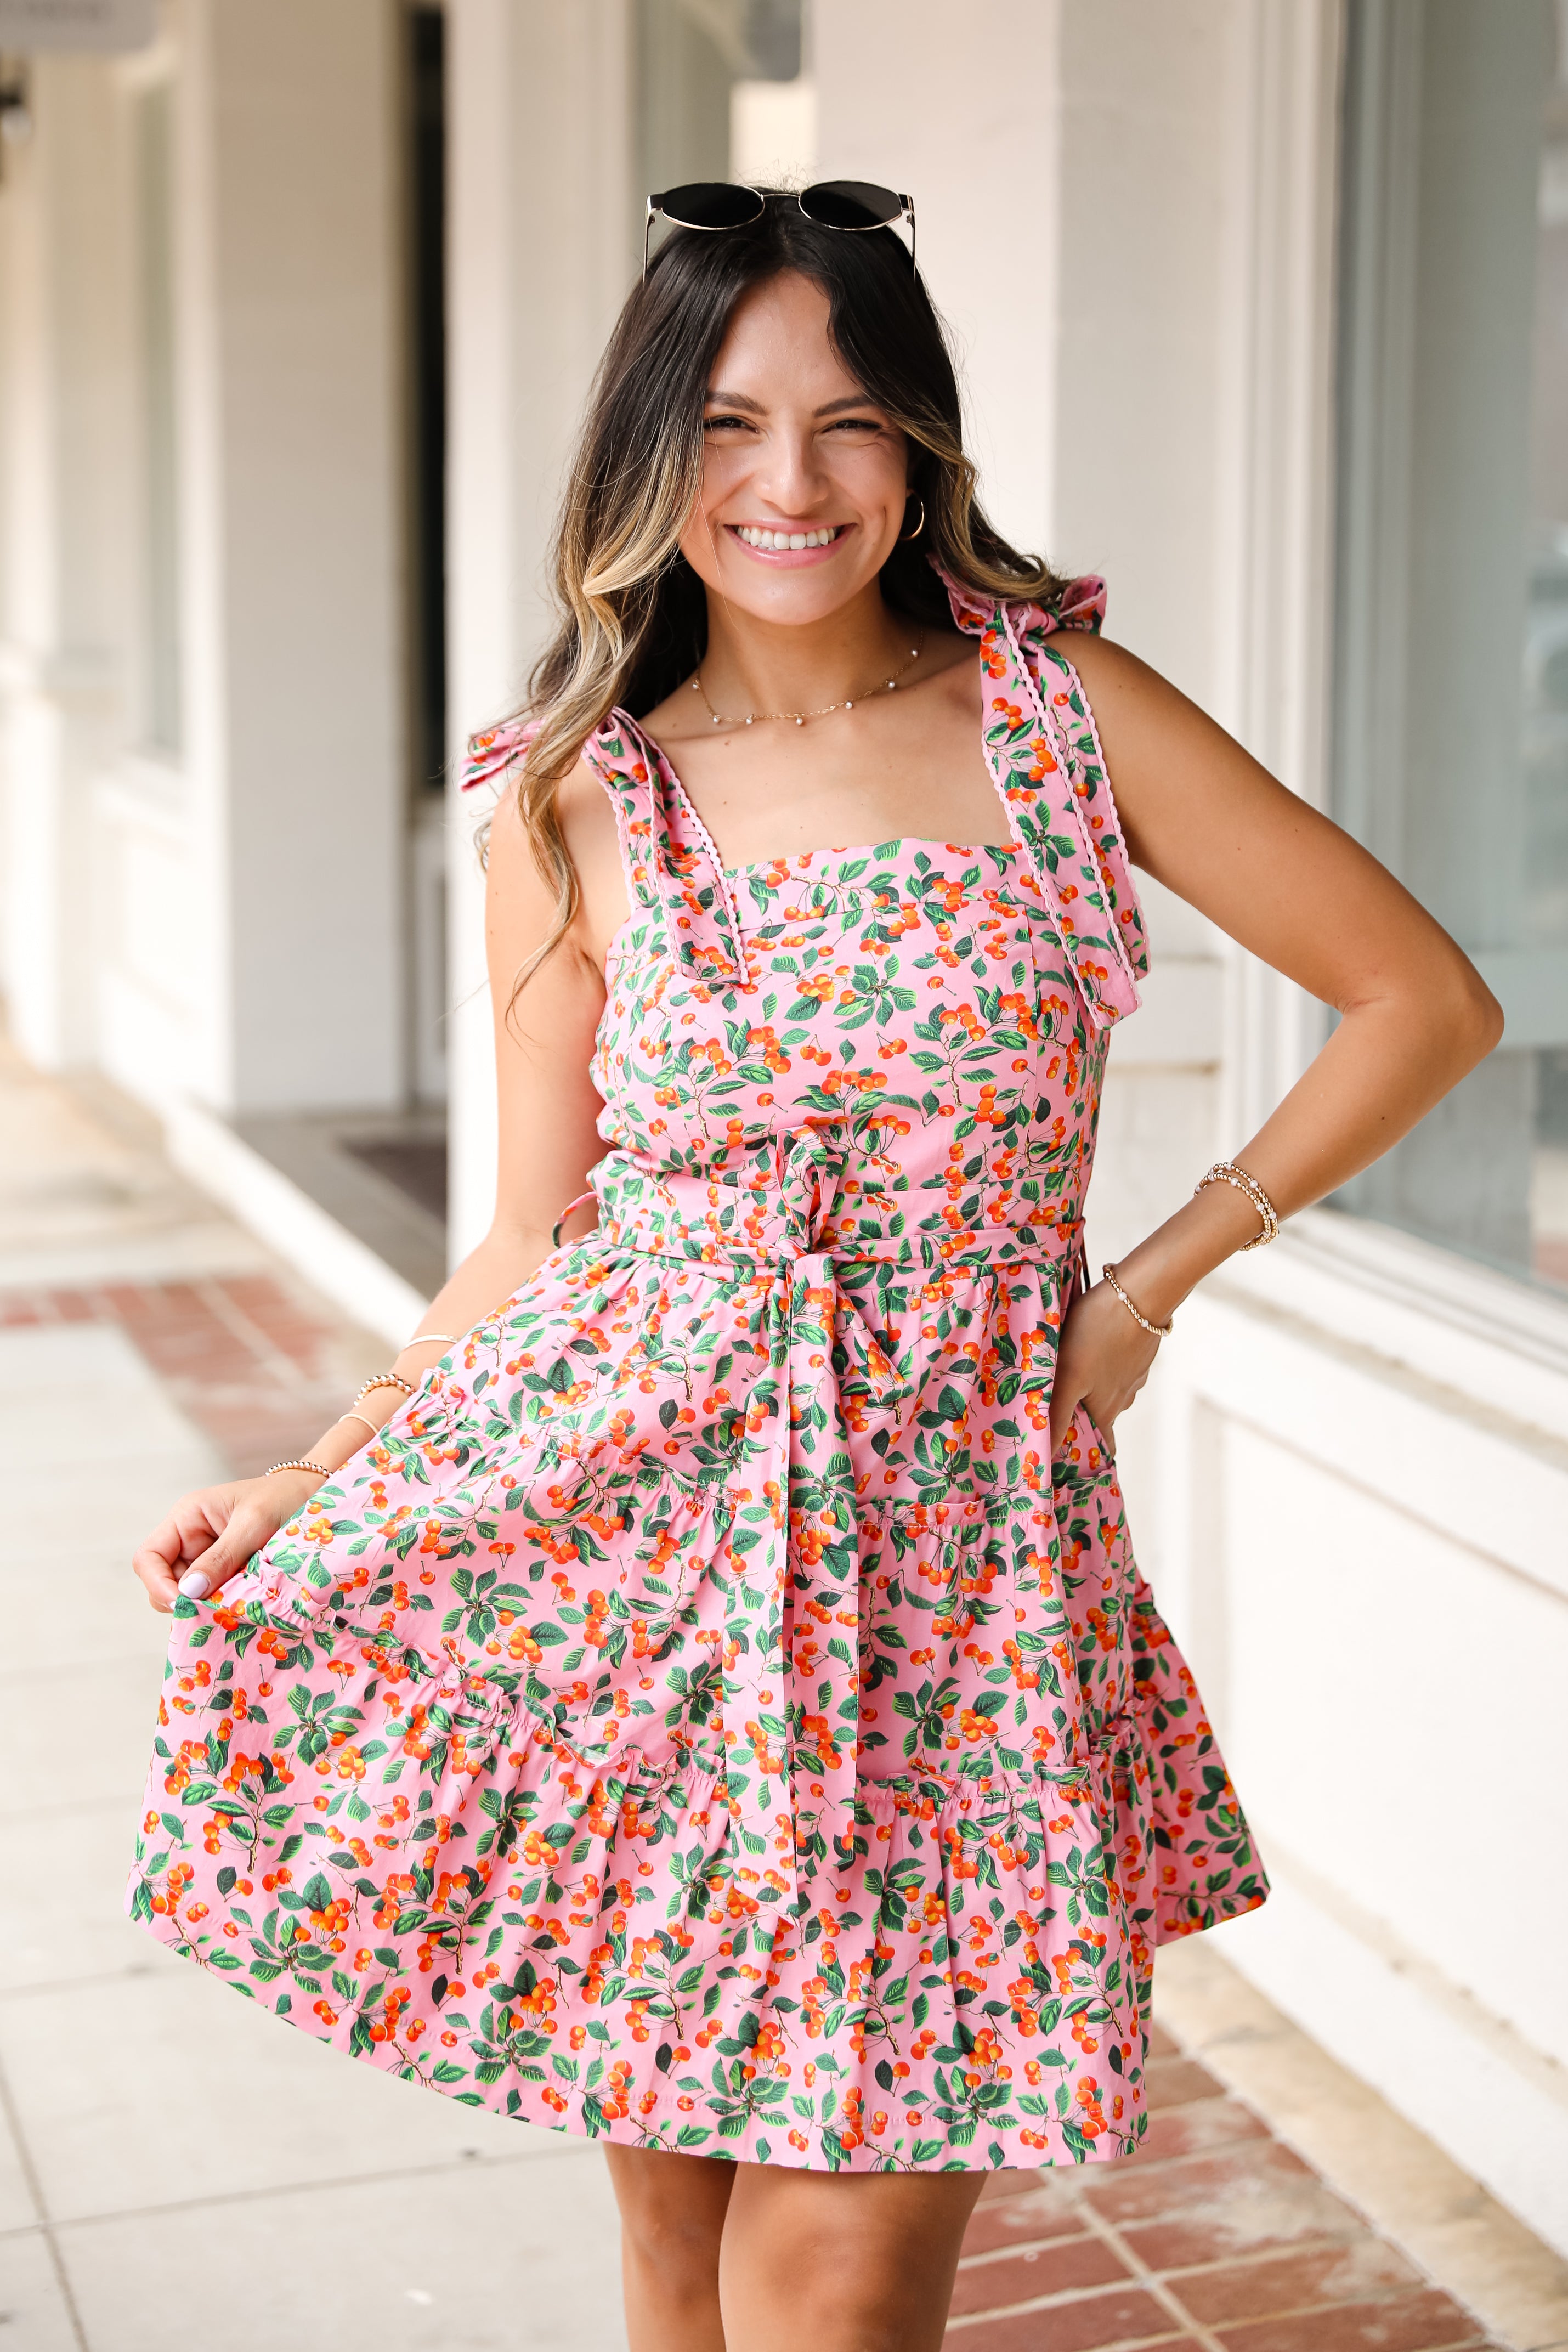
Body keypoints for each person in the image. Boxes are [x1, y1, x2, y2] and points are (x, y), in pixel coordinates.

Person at [129, 185, 1500, 2352]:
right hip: (640, 1593)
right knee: (678, 2265)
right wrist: (328, 1469)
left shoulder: (1060, 718)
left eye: (852, 423)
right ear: (646, 451)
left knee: (838, 2278)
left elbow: (1421, 997)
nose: (792, 485)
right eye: (735, 423)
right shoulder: (575, 798)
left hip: (959, 1596)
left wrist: (1140, 1290)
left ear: (923, 446)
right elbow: (529, 1233)